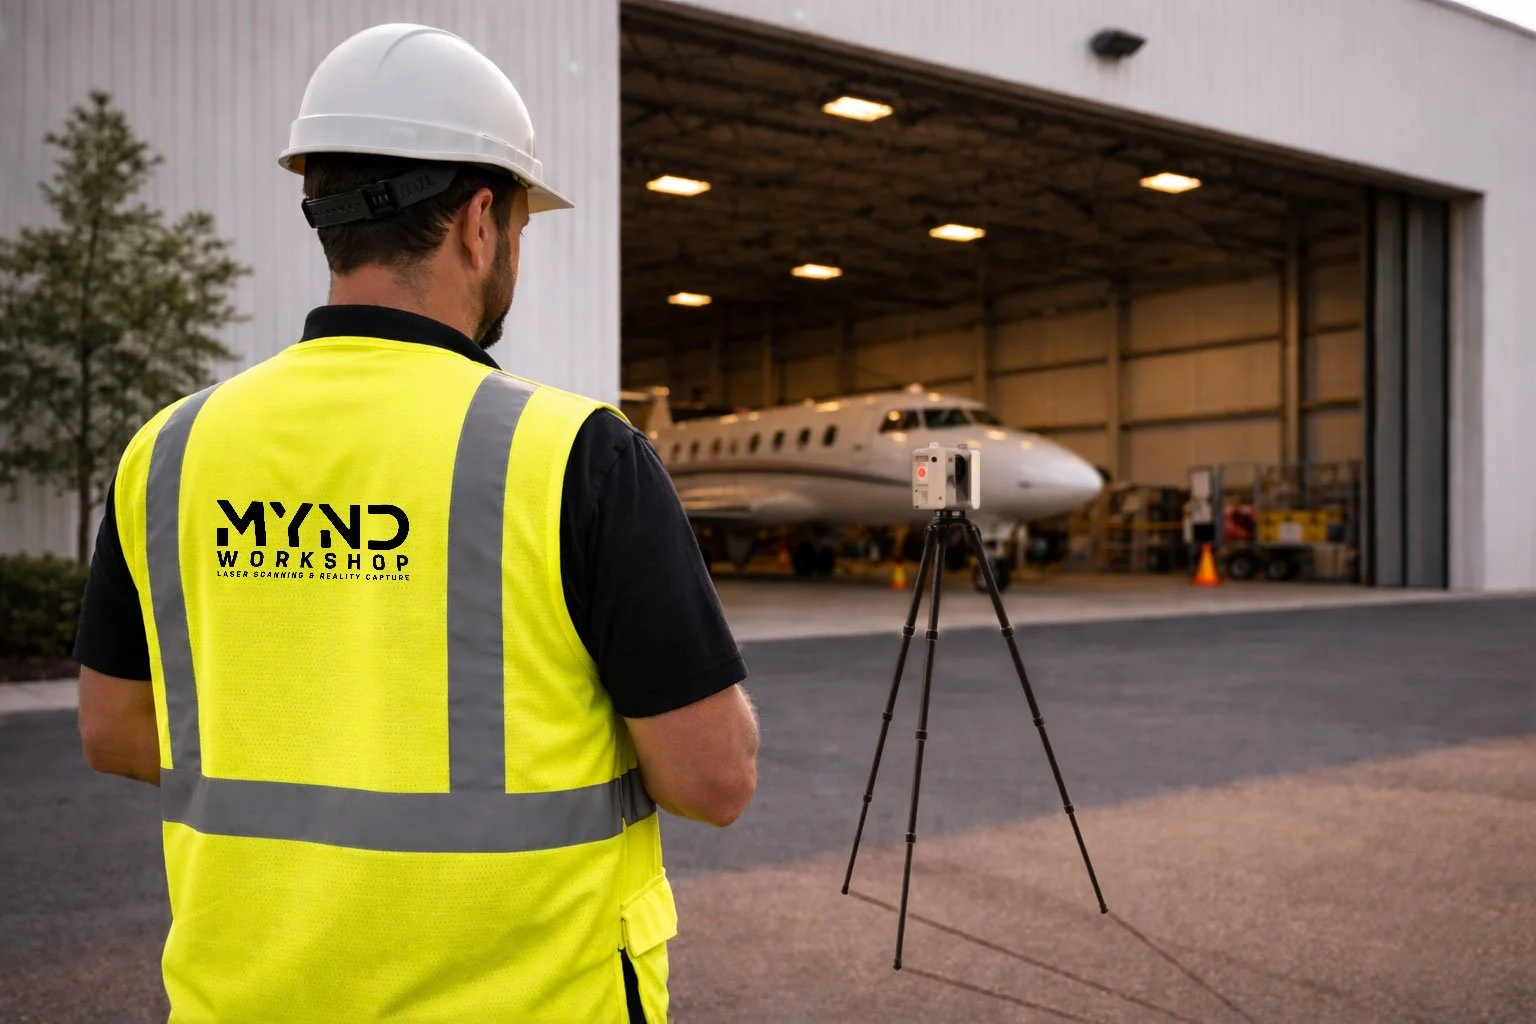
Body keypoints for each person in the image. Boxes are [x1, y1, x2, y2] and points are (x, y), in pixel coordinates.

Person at [72, 22, 758, 1024]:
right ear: (481, 221)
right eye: (519, 225)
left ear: (324, 212)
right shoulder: (574, 456)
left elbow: (116, 729)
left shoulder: (171, 450)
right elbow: (714, 778)